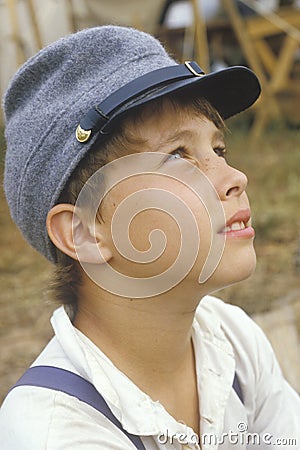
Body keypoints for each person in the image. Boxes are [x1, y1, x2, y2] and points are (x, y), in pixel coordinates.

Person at [0, 25, 299, 449]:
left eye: (218, 150)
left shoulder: (231, 339)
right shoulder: (51, 432)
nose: (235, 178)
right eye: (178, 157)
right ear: (84, 231)